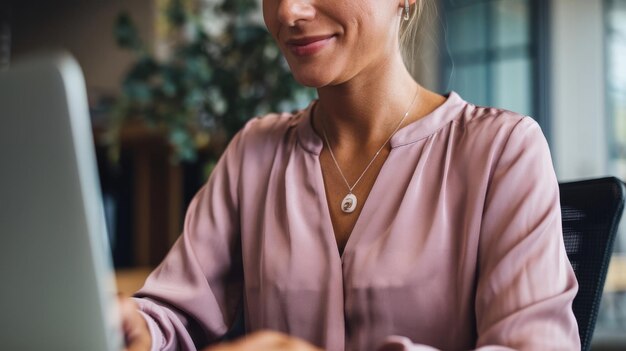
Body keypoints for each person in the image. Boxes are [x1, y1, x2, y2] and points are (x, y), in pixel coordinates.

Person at [120, 0, 581, 350]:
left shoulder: (503, 151)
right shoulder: (253, 154)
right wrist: (130, 324)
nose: (288, 11)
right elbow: (170, 315)